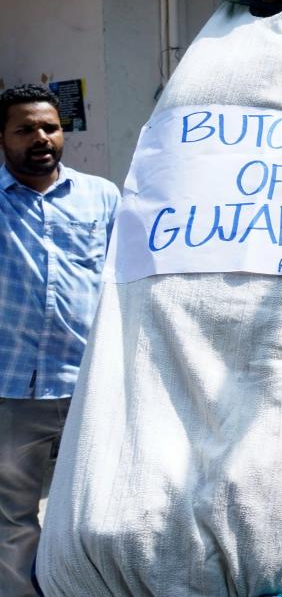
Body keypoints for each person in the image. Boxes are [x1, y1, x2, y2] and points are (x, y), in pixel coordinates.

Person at [0, 84, 118, 596]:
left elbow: (122, 280)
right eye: (24, 129)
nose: (41, 138)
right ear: (2, 137)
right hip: (11, 391)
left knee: (99, 512)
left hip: (90, 385)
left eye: (49, 127)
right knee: (13, 521)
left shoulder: (102, 197)